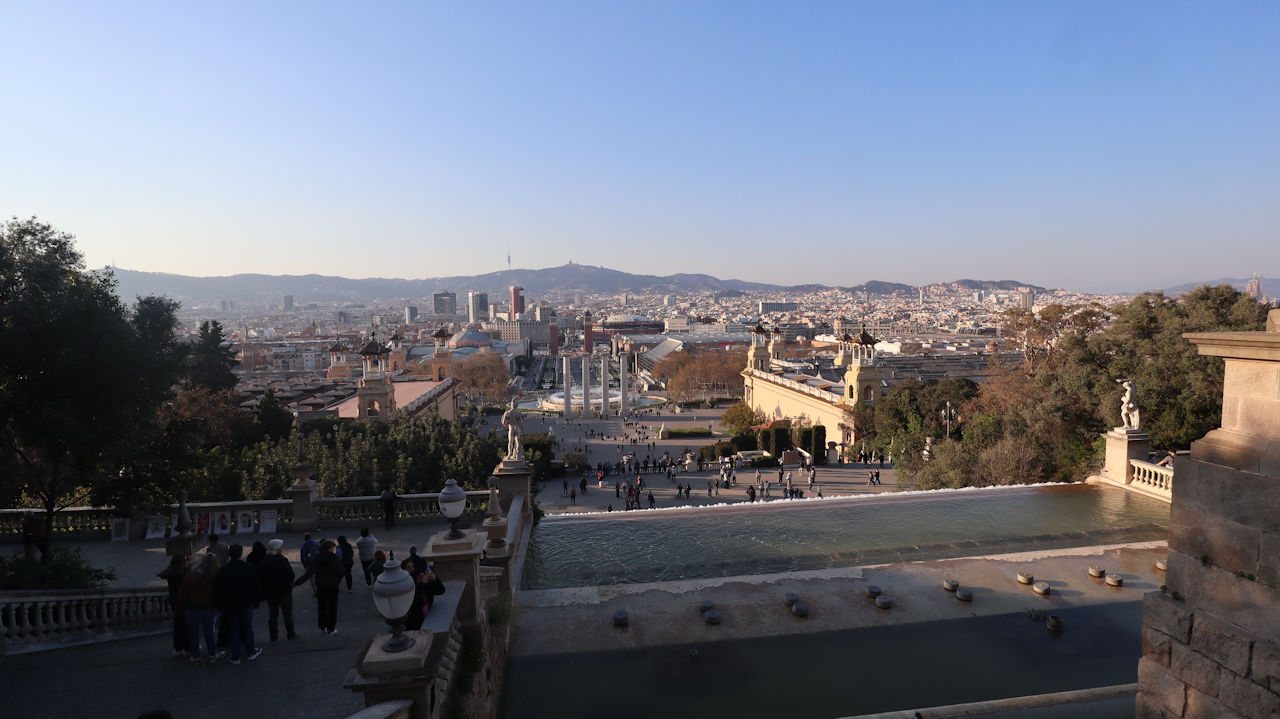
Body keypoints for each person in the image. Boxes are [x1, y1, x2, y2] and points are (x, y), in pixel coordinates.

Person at [213, 544, 263, 665]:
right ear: (241, 554)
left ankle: (236, 656)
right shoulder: (248, 568)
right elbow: (256, 585)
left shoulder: (223, 571)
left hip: (230, 605)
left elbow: (218, 590)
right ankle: (250, 651)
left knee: (233, 630)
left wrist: (219, 605)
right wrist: (257, 600)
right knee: (247, 628)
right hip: (246, 603)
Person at [176, 553, 220, 664]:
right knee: (209, 633)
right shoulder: (214, 577)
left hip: (191, 608)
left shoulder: (191, 575)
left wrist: (180, 606)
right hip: (208, 608)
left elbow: (182, 593)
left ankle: (196, 655)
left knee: (193, 634)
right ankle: (212, 654)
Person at [294, 539, 344, 636]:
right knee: (332, 608)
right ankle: (331, 629)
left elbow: (308, 574)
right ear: (329, 549)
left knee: (322, 608)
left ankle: (322, 627)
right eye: (333, 548)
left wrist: (296, 583)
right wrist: (336, 581)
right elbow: (341, 572)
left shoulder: (317, 559)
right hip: (333, 587)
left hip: (321, 587)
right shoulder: (335, 558)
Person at [258, 539, 297, 642]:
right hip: (284, 591)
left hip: (270, 592)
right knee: (287, 614)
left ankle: (273, 636)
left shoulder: (263, 562)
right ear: (277, 549)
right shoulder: (282, 560)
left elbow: (261, 578)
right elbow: (291, 575)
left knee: (273, 615)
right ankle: (291, 634)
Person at [157, 554, 191, 657]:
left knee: (178, 626)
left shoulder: (171, 574)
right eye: (185, 561)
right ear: (181, 564)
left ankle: (177, 648)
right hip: (184, 602)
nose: (186, 563)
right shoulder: (182, 575)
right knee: (186, 626)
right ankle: (186, 647)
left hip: (175, 602)